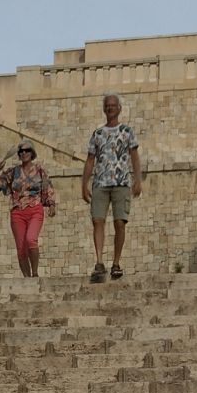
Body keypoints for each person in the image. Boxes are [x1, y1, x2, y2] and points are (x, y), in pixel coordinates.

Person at [81, 94, 142, 283]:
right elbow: (90, 159)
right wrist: (84, 183)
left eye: (113, 105)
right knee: (97, 220)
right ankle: (99, 261)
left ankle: (116, 262)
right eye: (107, 105)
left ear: (119, 108)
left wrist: (138, 179)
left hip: (121, 182)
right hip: (100, 183)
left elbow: (134, 156)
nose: (110, 108)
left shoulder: (127, 131)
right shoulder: (97, 134)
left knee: (120, 222)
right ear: (104, 108)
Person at [0, 140, 56, 278]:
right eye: (21, 151)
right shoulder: (13, 172)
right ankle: (27, 278)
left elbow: (48, 187)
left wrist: (51, 204)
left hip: (35, 209)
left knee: (31, 240)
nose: (24, 153)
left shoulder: (39, 170)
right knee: (21, 249)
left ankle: (35, 273)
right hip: (17, 212)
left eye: (27, 150)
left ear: (32, 153)